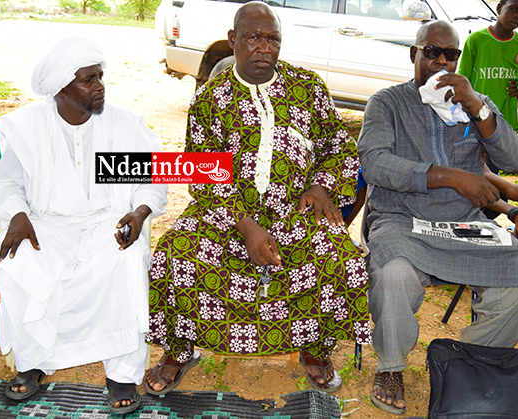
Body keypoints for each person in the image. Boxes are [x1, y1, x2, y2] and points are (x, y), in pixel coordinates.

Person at [144, 1, 371, 396]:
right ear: (233, 41)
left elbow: (340, 146)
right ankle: (179, 349)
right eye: (253, 38)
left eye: (273, 40)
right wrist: (246, 225)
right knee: (174, 251)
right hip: (227, 214)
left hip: (296, 211)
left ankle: (315, 348)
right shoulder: (210, 99)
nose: (264, 48)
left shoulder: (308, 87)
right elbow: (203, 174)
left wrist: (320, 185)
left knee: (339, 254)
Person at [358, 20, 518, 415]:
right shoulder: (388, 103)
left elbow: (517, 161)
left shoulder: (473, 103)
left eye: (451, 54)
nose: (441, 61)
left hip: (465, 225)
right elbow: (375, 164)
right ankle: (391, 366)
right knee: (393, 275)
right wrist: (451, 177)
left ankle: (466, 361)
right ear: (415, 54)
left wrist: (477, 106)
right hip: (402, 219)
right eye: (432, 52)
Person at [0, 37, 168, 414]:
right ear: (60, 89)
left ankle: (120, 371)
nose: (99, 86)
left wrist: (139, 212)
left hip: (106, 225)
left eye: (100, 77)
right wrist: (17, 213)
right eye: (88, 80)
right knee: (18, 262)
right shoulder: (28, 126)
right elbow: (6, 183)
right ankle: (34, 362)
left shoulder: (123, 125)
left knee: (125, 260)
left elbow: (152, 181)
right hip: (45, 225)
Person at [458, 0, 518, 134]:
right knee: (477, 154)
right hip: (478, 118)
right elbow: (463, 79)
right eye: (514, 9)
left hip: (507, 121)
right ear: (499, 8)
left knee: (504, 154)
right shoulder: (476, 40)